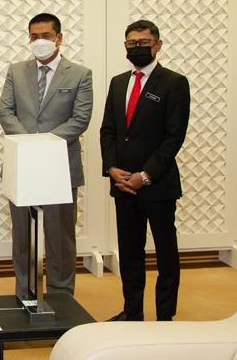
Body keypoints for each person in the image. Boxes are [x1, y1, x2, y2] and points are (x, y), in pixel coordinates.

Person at [0, 13, 93, 297]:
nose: (41, 42)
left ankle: (61, 296)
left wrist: (45, 144)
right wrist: (31, 144)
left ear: (59, 39)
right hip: (22, 166)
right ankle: (24, 294)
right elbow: (5, 112)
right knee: (22, 237)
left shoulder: (79, 74)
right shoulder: (16, 71)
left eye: (47, 36)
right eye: (35, 36)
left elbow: (80, 119)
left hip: (60, 167)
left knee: (59, 238)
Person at [100, 19, 190, 322]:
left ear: (157, 44)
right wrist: (112, 168)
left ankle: (165, 317)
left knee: (166, 254)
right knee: (130, 254)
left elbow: (173, 137)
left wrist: (146, 175)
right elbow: (108, 131)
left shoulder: (174, 82)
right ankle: (132, 312)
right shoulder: (118, 81)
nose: (137, 48)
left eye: (143, 43)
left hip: (157, 184)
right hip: (122, 183)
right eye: (131, 43)